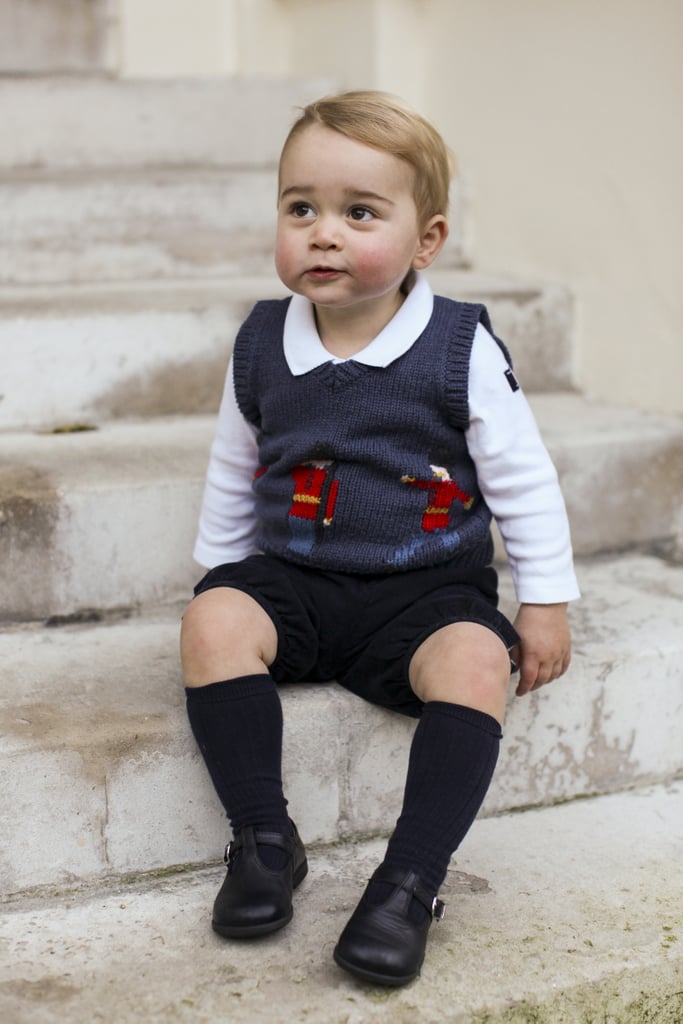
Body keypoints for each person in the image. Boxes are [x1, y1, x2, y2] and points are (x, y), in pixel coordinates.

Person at [181, 90, 579, 987]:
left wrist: (543, 601)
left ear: (424, 240)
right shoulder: (258, 343)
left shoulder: (456, 346)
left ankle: (407, 883)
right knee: (210, 624)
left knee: (477, 664)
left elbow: (522, 476)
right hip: (296, 576)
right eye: (300, 208)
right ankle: (262, 838)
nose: (322, 233)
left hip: (426, 592)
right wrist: (219, 578)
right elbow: (231, 463)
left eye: (358, 212)